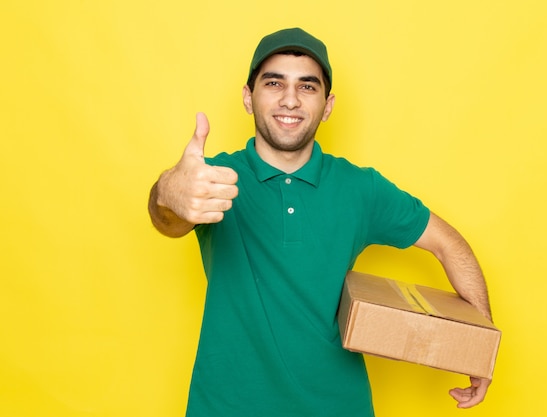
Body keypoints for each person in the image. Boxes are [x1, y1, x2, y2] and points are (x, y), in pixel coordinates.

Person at [148, 27, 493, 417]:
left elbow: (449, 244)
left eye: (307, 87)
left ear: (327, 106)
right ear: (248, 97)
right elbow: (169, 218)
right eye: (274, 83)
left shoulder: (360, 189)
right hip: (227, 405)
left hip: (337, 406)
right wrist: (168, 192)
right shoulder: (215, 178)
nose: (290, 100)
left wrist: (480, 346)